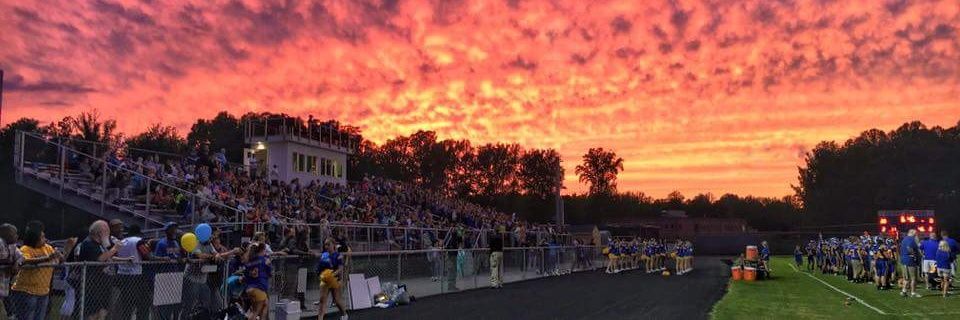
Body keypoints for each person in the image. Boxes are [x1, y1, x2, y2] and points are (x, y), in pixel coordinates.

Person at [10, 221, 64, 320]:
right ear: (35, 239)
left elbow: (60, 261)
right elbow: (25, 260)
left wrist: (62, 253)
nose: (45, 239)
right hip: (26, 292)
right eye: (42, 237)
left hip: (43, 292)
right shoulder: (25, 249)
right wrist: (46, 258)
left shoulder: (47, 248)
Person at [73, 220, 121, 320]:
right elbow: (99, 259)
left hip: (102, 282)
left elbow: (107, 257)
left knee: (103, 310)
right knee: (91, 313)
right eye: (106, 231)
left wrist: (111, 248)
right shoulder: (88, 243)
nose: (108, 233)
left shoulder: (100, 244)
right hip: (91, 284)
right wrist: (114, 249)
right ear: (99, 232)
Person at [114, 224, 155, 320]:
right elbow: (148, 256)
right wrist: (163, 259)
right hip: (136, 276)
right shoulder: (138, 241)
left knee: (126, 305)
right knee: (143, 303)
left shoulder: (121, 242)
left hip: (122, 274)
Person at [317, 238, 348, 320]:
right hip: (325, 280)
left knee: (337, 300)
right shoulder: (324, 255)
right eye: (325, 244)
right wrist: (320, 275)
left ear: (333, 245)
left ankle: (344, 314)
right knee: (322, 299)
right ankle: (320, 318)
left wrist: (334, 276)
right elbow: (320, 267)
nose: (326, 246)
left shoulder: (338, 255)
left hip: (335, 279)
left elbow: (340, 268)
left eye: (328, 244)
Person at [244, 242, 272, 320]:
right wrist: (268, 265)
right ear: (262, 250)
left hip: (250, 288)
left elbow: (246, 275)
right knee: (255, 312)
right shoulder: (264, 260)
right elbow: (269, 273)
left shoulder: (249, 262)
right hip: (259, 288)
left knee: (265, 304)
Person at [0, 224, 22, 319]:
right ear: (6, 234)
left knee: (9, 310)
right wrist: (8, 263)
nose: (17, 236)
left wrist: (16, 263)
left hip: (4, 284)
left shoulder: (12, 245)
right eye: (14, 234)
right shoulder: (0, 242)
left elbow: (21, 257)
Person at [899, 229, 921, 298]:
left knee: (906, 278)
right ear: (913, 233)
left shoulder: (904, 239)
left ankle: (904, 291)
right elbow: (909, 248)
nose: (916, 235)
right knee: (913, 278)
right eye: (916, 234)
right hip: (910, 260)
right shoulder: (911, 239)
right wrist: (914, 254)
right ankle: (913, 293)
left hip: (903, 260)